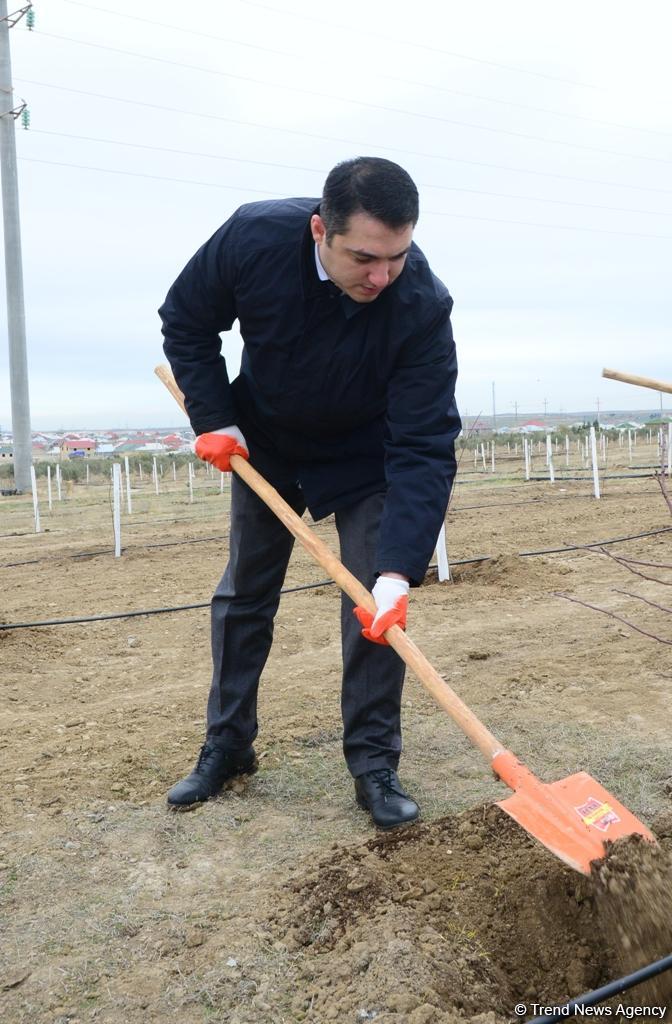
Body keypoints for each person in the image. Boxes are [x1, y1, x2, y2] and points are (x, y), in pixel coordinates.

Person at [159, 156, 460, 829]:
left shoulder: (420, 304)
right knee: (244, 596)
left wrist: (398, 568)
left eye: (397, 257)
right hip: (264, 440)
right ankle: (228, 747)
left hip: (367, 456)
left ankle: (374, 764)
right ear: (321, 229)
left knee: (372, 607)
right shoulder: (254, 238)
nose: (381, 276)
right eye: (364, 258)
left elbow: (425, 441)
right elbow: (185, 319)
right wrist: (214, 418)